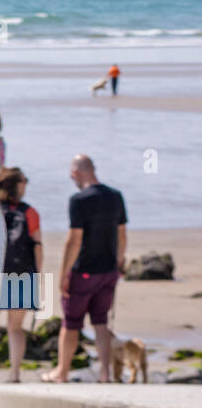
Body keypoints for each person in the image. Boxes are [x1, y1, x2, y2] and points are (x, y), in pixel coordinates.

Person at [44, 154, 127, 384]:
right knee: (101, 322)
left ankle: (61, 373)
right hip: (109, 270)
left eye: (72, 174)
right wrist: (119, 264)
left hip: (84, 271)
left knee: (71, 324)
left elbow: (74, 240)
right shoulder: (115, 196)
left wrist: (64, 275)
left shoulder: (79, 200)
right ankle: (105, 374)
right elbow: (122, 235)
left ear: (77, 173)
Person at [0, 168, 42, 383]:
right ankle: (14, 374)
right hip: (22, 273)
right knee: (15, 328)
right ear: (18, 185)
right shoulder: (30, 212)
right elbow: (37, 246)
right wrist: (37, 275)